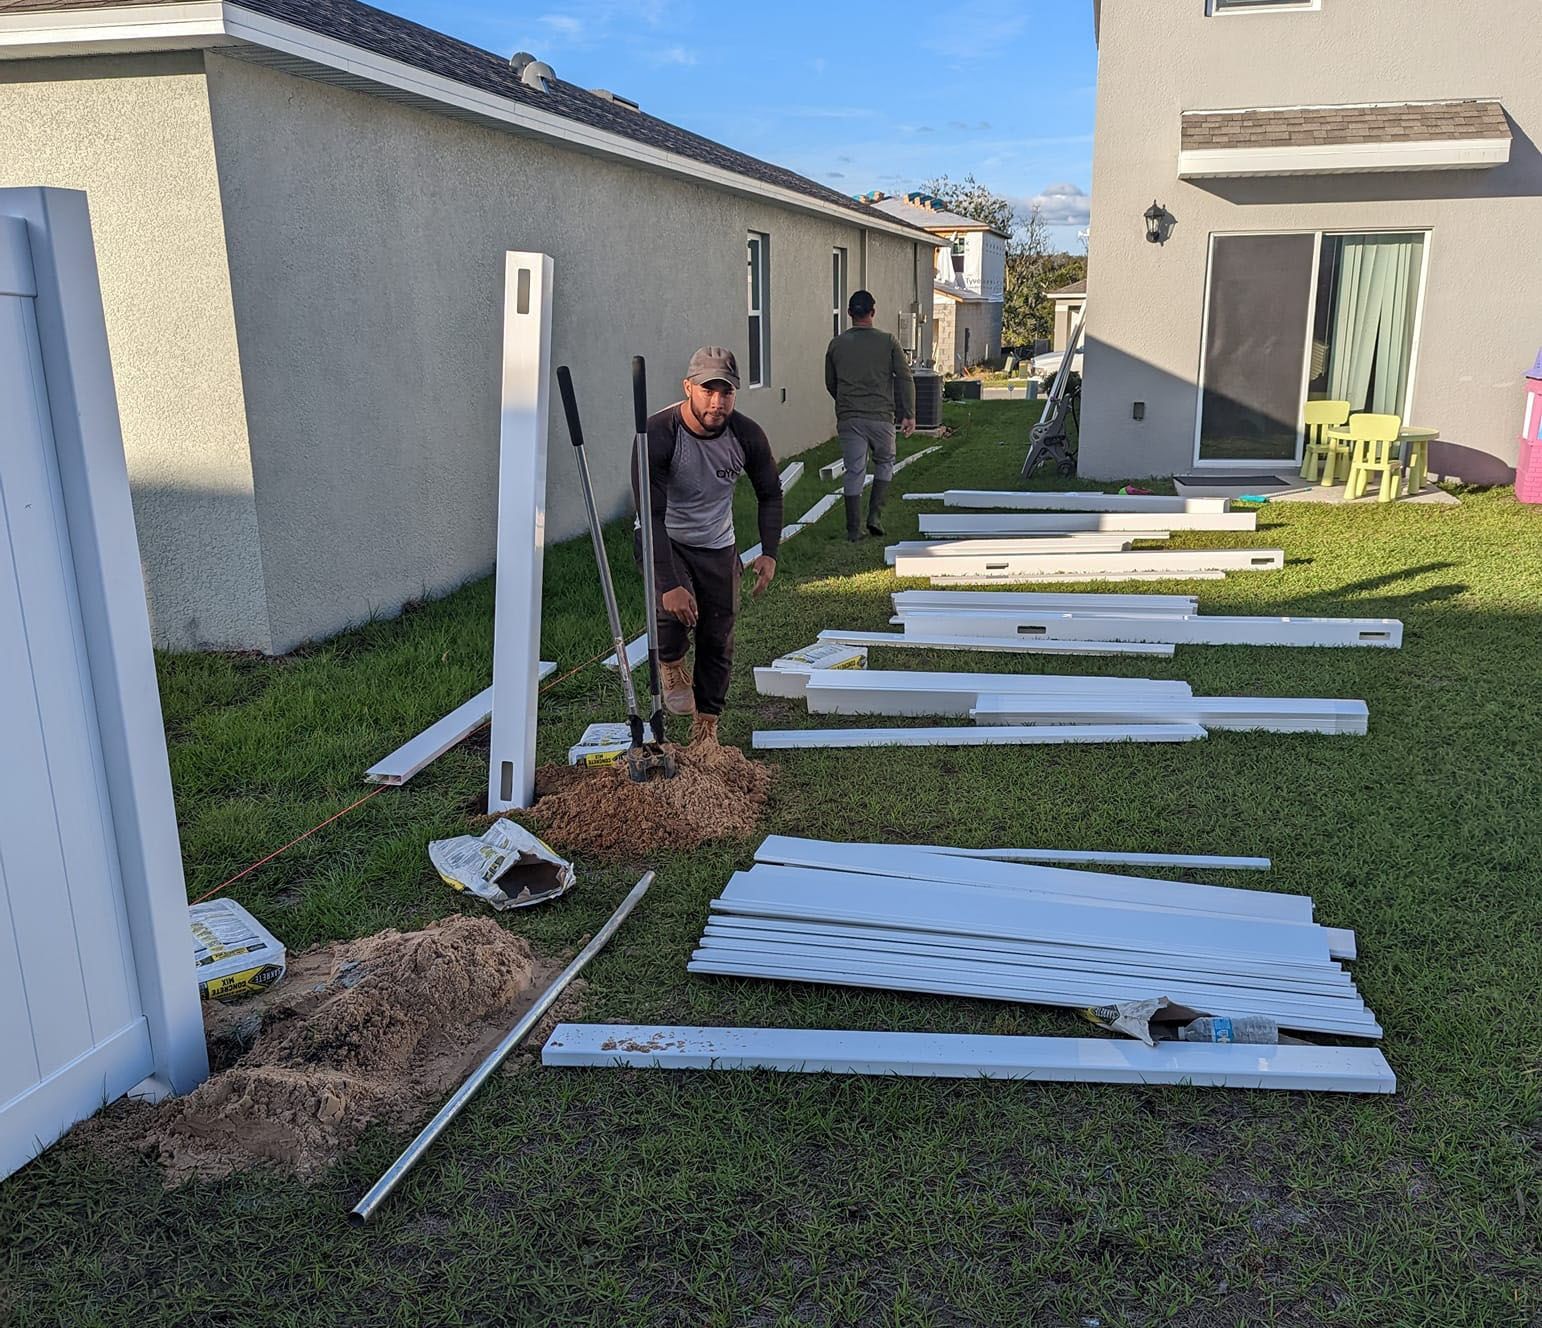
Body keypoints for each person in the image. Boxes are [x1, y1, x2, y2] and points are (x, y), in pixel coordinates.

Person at [632, 346, 782, 745]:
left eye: (726, 392)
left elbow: (770, 492)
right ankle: (670, 661)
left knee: (719, 634)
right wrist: (670, 582)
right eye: (707, 391)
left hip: (717, 543)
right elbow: (651, 517)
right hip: (666, 536)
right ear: (688, 388)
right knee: (673, 611)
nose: (717, 402)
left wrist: (769, 551)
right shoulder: (658, 434)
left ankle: (707, 727)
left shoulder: (745, 434)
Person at [824, 290, 916, 541]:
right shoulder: (888, 341)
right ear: (873, 313)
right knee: (885, 462)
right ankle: (874, 516)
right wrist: (908, 413)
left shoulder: (836, 344)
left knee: (854, 470)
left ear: (849, 314)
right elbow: (905, 377)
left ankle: (854, 529)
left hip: (849, 417)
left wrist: (845, 404)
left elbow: (830, 383)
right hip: (881, 416)